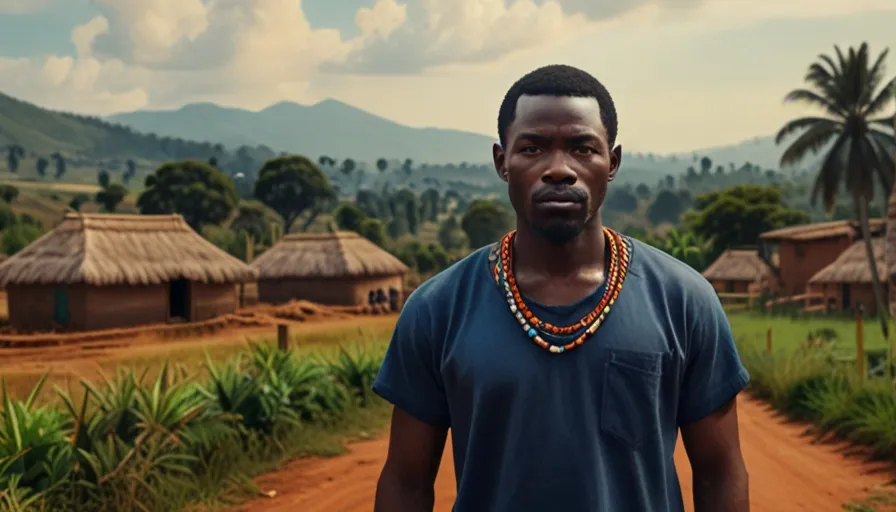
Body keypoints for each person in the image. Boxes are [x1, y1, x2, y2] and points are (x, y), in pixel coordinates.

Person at [372, 64, 750, 512]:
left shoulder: (683, 301)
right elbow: (406, 481)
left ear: (612, 162)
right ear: (501, 162)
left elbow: (720, 470)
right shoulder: (438, 309)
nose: (558, 170)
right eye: (532, 148)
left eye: (582, 148)